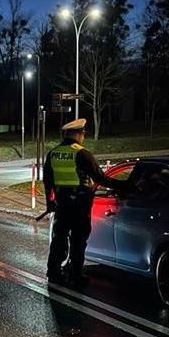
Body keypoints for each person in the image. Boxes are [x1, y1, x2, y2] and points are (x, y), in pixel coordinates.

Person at [43, 118, 127, 286]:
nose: (83, 137)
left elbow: (47, 181)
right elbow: (100, 178)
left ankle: (53, 272)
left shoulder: (53, 154)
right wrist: (125, 185)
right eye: (83, 134)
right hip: (79, 206)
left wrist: (49, 203)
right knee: (78, 240)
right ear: (78, 134)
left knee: (59, 238)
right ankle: (75, 275)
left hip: (62, 205)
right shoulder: (82, 154)